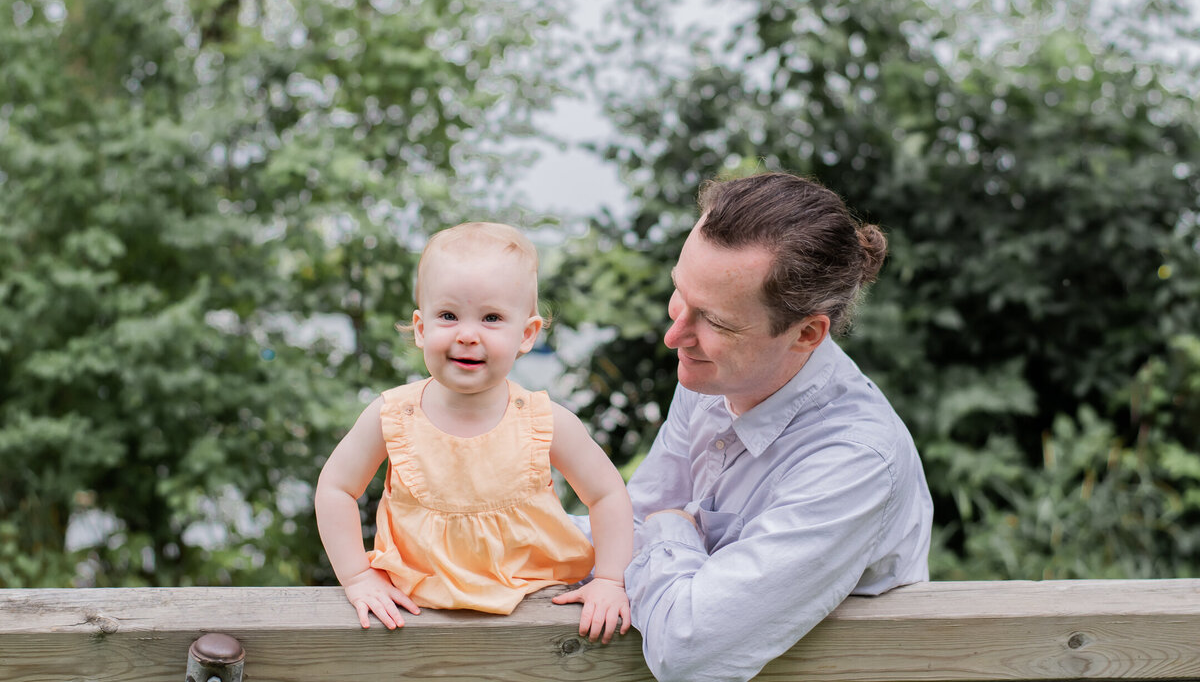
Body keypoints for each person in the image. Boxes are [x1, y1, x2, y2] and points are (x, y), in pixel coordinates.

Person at [624, 172, 933, 682]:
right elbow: (623, 533)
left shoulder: (854, 461)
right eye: (679, 293)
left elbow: (689, 651)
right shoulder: (714, 376)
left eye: (716, 322)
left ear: (807, 333)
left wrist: (672, 526)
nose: (673, 334)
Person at [315, 222, 633, 644]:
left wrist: (610, 580)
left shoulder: (544, 420)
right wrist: (357, 576)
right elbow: (335, 488)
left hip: (537, 606)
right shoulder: (392, 415)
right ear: (422, 328)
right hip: (416, 614)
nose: (467, 334)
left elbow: (607, 494)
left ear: (526, 335)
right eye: (448, 316)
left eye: (491, 318)